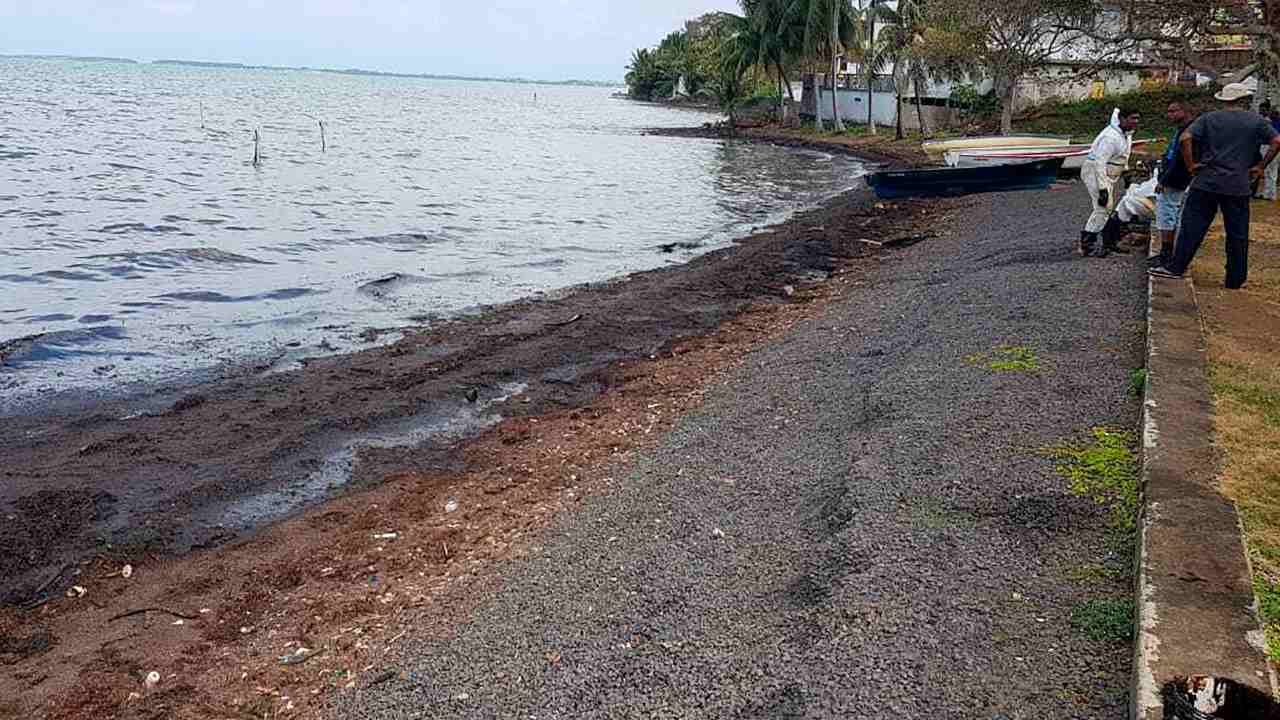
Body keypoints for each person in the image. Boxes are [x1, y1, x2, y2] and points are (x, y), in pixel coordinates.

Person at [1150, 83, 1280, 288]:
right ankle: (1235, 280)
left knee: (1192, 228)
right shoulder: (1257, 121)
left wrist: (1192, 165)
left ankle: (1176, 267)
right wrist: (1260, 167)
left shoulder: (1208, 118)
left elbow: (1185, 138)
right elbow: (1277, 141)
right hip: (1238, 184)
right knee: (1237, 233)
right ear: (1244, 100)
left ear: (1223, 100)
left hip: (1206, 182)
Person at [1080, 108, 1140, 258]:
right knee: (1103, 207)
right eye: (1132, 118)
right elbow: (1099, 163)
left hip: (1110, 173)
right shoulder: (1111, 137)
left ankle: (1109, 243)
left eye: (1137, 118)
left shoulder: (1126, 135)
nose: (1136, 122)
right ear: (1122, 119)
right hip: (1096, 172)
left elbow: (1122, 156)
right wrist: (1102, 189)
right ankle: (1087, 245)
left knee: (1108, 207)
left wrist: (1125, 172)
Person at [1152, 102, 1194, 267]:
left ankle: (1166, 254)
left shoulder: (1188, 131)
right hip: (1176, 177)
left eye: (1173, 111)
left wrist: (1164, 180)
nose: (1169, 115)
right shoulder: (1182, 129)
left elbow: (1179, 160)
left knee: (1167, 214)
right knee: (1172, 215)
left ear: (1185, 111)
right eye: (1168, 111)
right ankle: (1168, 253)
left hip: (1176, 179)